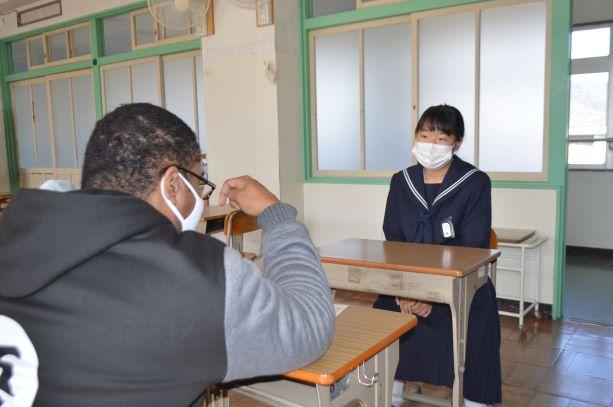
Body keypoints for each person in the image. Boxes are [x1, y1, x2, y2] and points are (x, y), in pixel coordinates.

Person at [0, 103, 335, 407]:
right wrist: (276, 214)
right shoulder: (190, 280)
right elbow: (310, 324)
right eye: (199, 184)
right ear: (173, 184)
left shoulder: (13, 235)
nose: (201, 198)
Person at [373, 105, 501, 407]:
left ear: (457, 142)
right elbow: (394, 239)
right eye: (424, 135)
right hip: (408, 281)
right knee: (384, 309)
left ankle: (473, 397)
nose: (431, 144)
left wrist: (432, 296)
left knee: (477, 318)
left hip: (460, 282)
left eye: (441, 138)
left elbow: (472, 246)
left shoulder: (475, 182)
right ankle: (392, 387)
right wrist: (405, 291)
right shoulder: (401, 181)